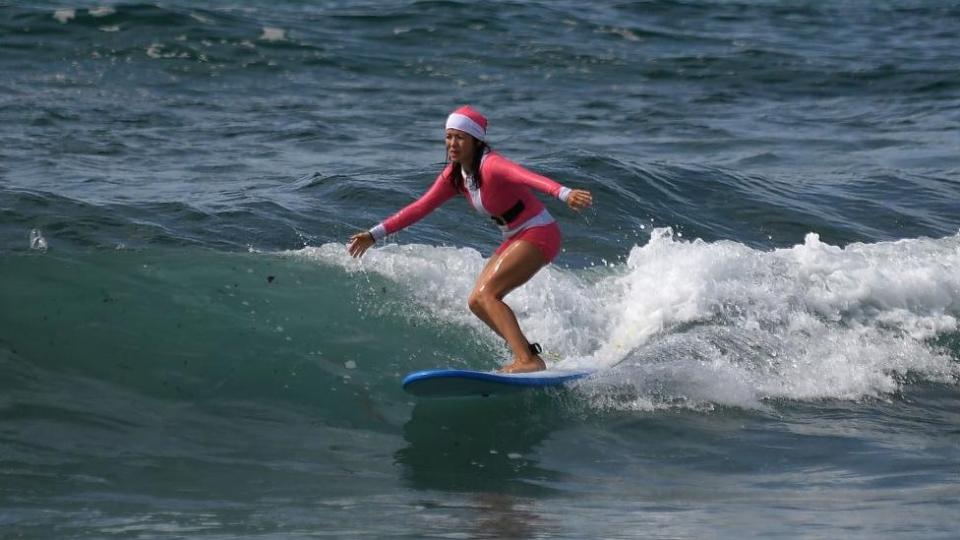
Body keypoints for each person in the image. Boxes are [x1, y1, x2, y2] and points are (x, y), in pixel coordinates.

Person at [347, 105, 593, 373]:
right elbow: (420, 208)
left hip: (539, 231)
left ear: (476, 141)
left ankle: (527, 360)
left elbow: (528, 177)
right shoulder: (455, 176)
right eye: (449, 136)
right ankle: (527, 352)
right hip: (514, 235)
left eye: (460, 137)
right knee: (476, 301)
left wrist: (565, 193)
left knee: (488, 295)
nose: (452, 143)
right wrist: (374, 234)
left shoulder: (492, 165)